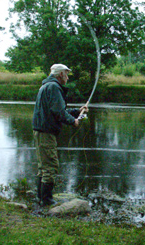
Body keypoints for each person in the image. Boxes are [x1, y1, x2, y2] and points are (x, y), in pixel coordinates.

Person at [32, 63, 88, 206]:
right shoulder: (54, 87)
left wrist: (77, 111)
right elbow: (58, 112)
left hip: (41, 130)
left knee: (43, 167)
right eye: (66, 74)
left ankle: (40, 198)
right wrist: (73, 121)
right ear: (61, 74)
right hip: (46, 132)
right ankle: (47, 200)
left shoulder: (47, 86)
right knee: (50, 165)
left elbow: (57, 110)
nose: (68, 78)